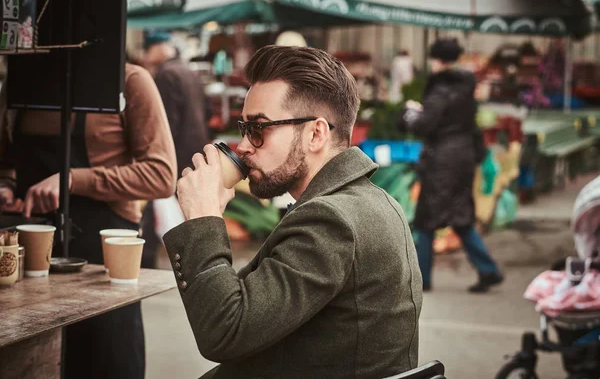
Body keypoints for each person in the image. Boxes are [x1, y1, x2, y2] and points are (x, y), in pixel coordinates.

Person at [163, 45, 422, 378]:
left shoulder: (331, 220)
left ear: (316, 134)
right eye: (244, 129)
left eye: (259, 129)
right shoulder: (371, 200)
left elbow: (223, 332)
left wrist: (202, 217)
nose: (243, 146)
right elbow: (246, 306)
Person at [0, 63, 177, 379]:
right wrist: (7, 187)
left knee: (104, 361)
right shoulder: (20, 81)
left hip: (103, 259)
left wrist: (72, 179)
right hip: (30, 259)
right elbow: (6, 160)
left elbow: (161, 175)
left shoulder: (129, 81)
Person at [399, 38, 503, 293]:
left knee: (426, 220)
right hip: (463, 157)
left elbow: (425, 125)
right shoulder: (465, 87)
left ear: (436, 60)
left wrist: (411, 113)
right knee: (461, 216)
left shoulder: (440, 90)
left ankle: (422, 278)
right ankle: (488, 269)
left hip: (443, 161)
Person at [140, 31, 211, 268]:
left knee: (157, 205)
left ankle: (148, 256)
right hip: (194, 151)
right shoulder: (188, 71)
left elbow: (165, 124)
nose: (146, 57)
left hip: (175, 153)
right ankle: (192, 258)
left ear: (159, 48)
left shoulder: (167, 74)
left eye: (148, 50)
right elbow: (207, 112)